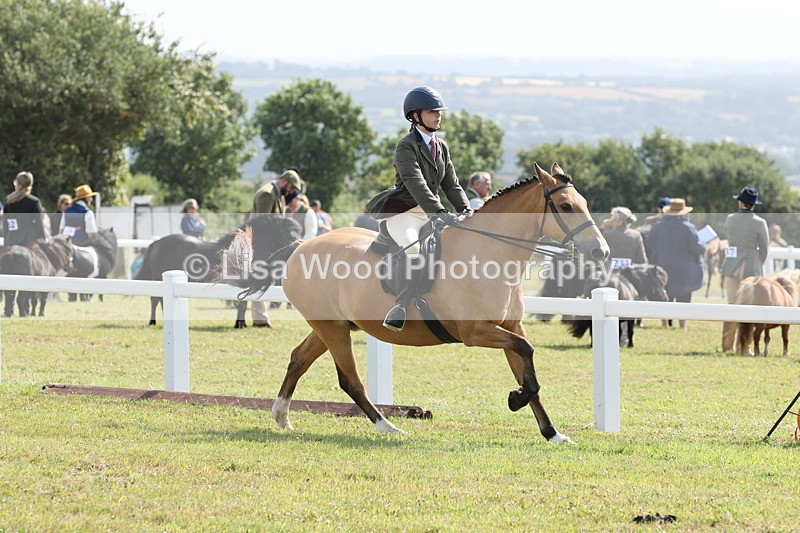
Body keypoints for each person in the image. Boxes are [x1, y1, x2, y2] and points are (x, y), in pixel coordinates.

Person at [365, 86, 472, 332]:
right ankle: (400, 306)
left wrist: (466, 211)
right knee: (413, 249)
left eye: (439, 111)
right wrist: (440, 212)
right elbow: (416, 184)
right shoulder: (406, 146)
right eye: (432, 111)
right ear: (415, 116)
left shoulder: (441, 146)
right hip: (405, 213)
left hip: (430, 212)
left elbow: (451, 184)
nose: (438, 115)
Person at [248, 169, 305, 327]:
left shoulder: (278, 195)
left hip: (269, 243)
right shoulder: (267, 194)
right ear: (285, 181)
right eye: (291, 188)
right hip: (261, 243)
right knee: (260, 276)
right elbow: (263, 223)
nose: (291, 192)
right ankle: (260, 319)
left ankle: (261, 318)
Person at [720, 187, 770, 351]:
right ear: (753, 205)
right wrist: (757, 261)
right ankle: (743, 347)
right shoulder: (760, 222)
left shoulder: (730, 219)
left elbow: (730, 240)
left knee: (731, 304)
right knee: (749, 308)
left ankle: (727, 345)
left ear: (741, 203)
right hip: (750, 265)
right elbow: (764, 249)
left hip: (731, 264)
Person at [645, 198, 705, 329]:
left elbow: (649, 243)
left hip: (663, 266)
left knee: (664, 295)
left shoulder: (658, 226)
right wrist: (703, 245)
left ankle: (665, 324)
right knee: (684, 297)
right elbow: (697, 248)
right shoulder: (689, 228)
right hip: (685, 269)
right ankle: (682, 325)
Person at [3, 171, 47, 246]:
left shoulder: (8, 200)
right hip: (29, 241)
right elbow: (39, 225)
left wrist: (6, 241)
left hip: (11, 240)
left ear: (18, 184)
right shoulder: (34, 202)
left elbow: (6, 225)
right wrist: (43, 242)